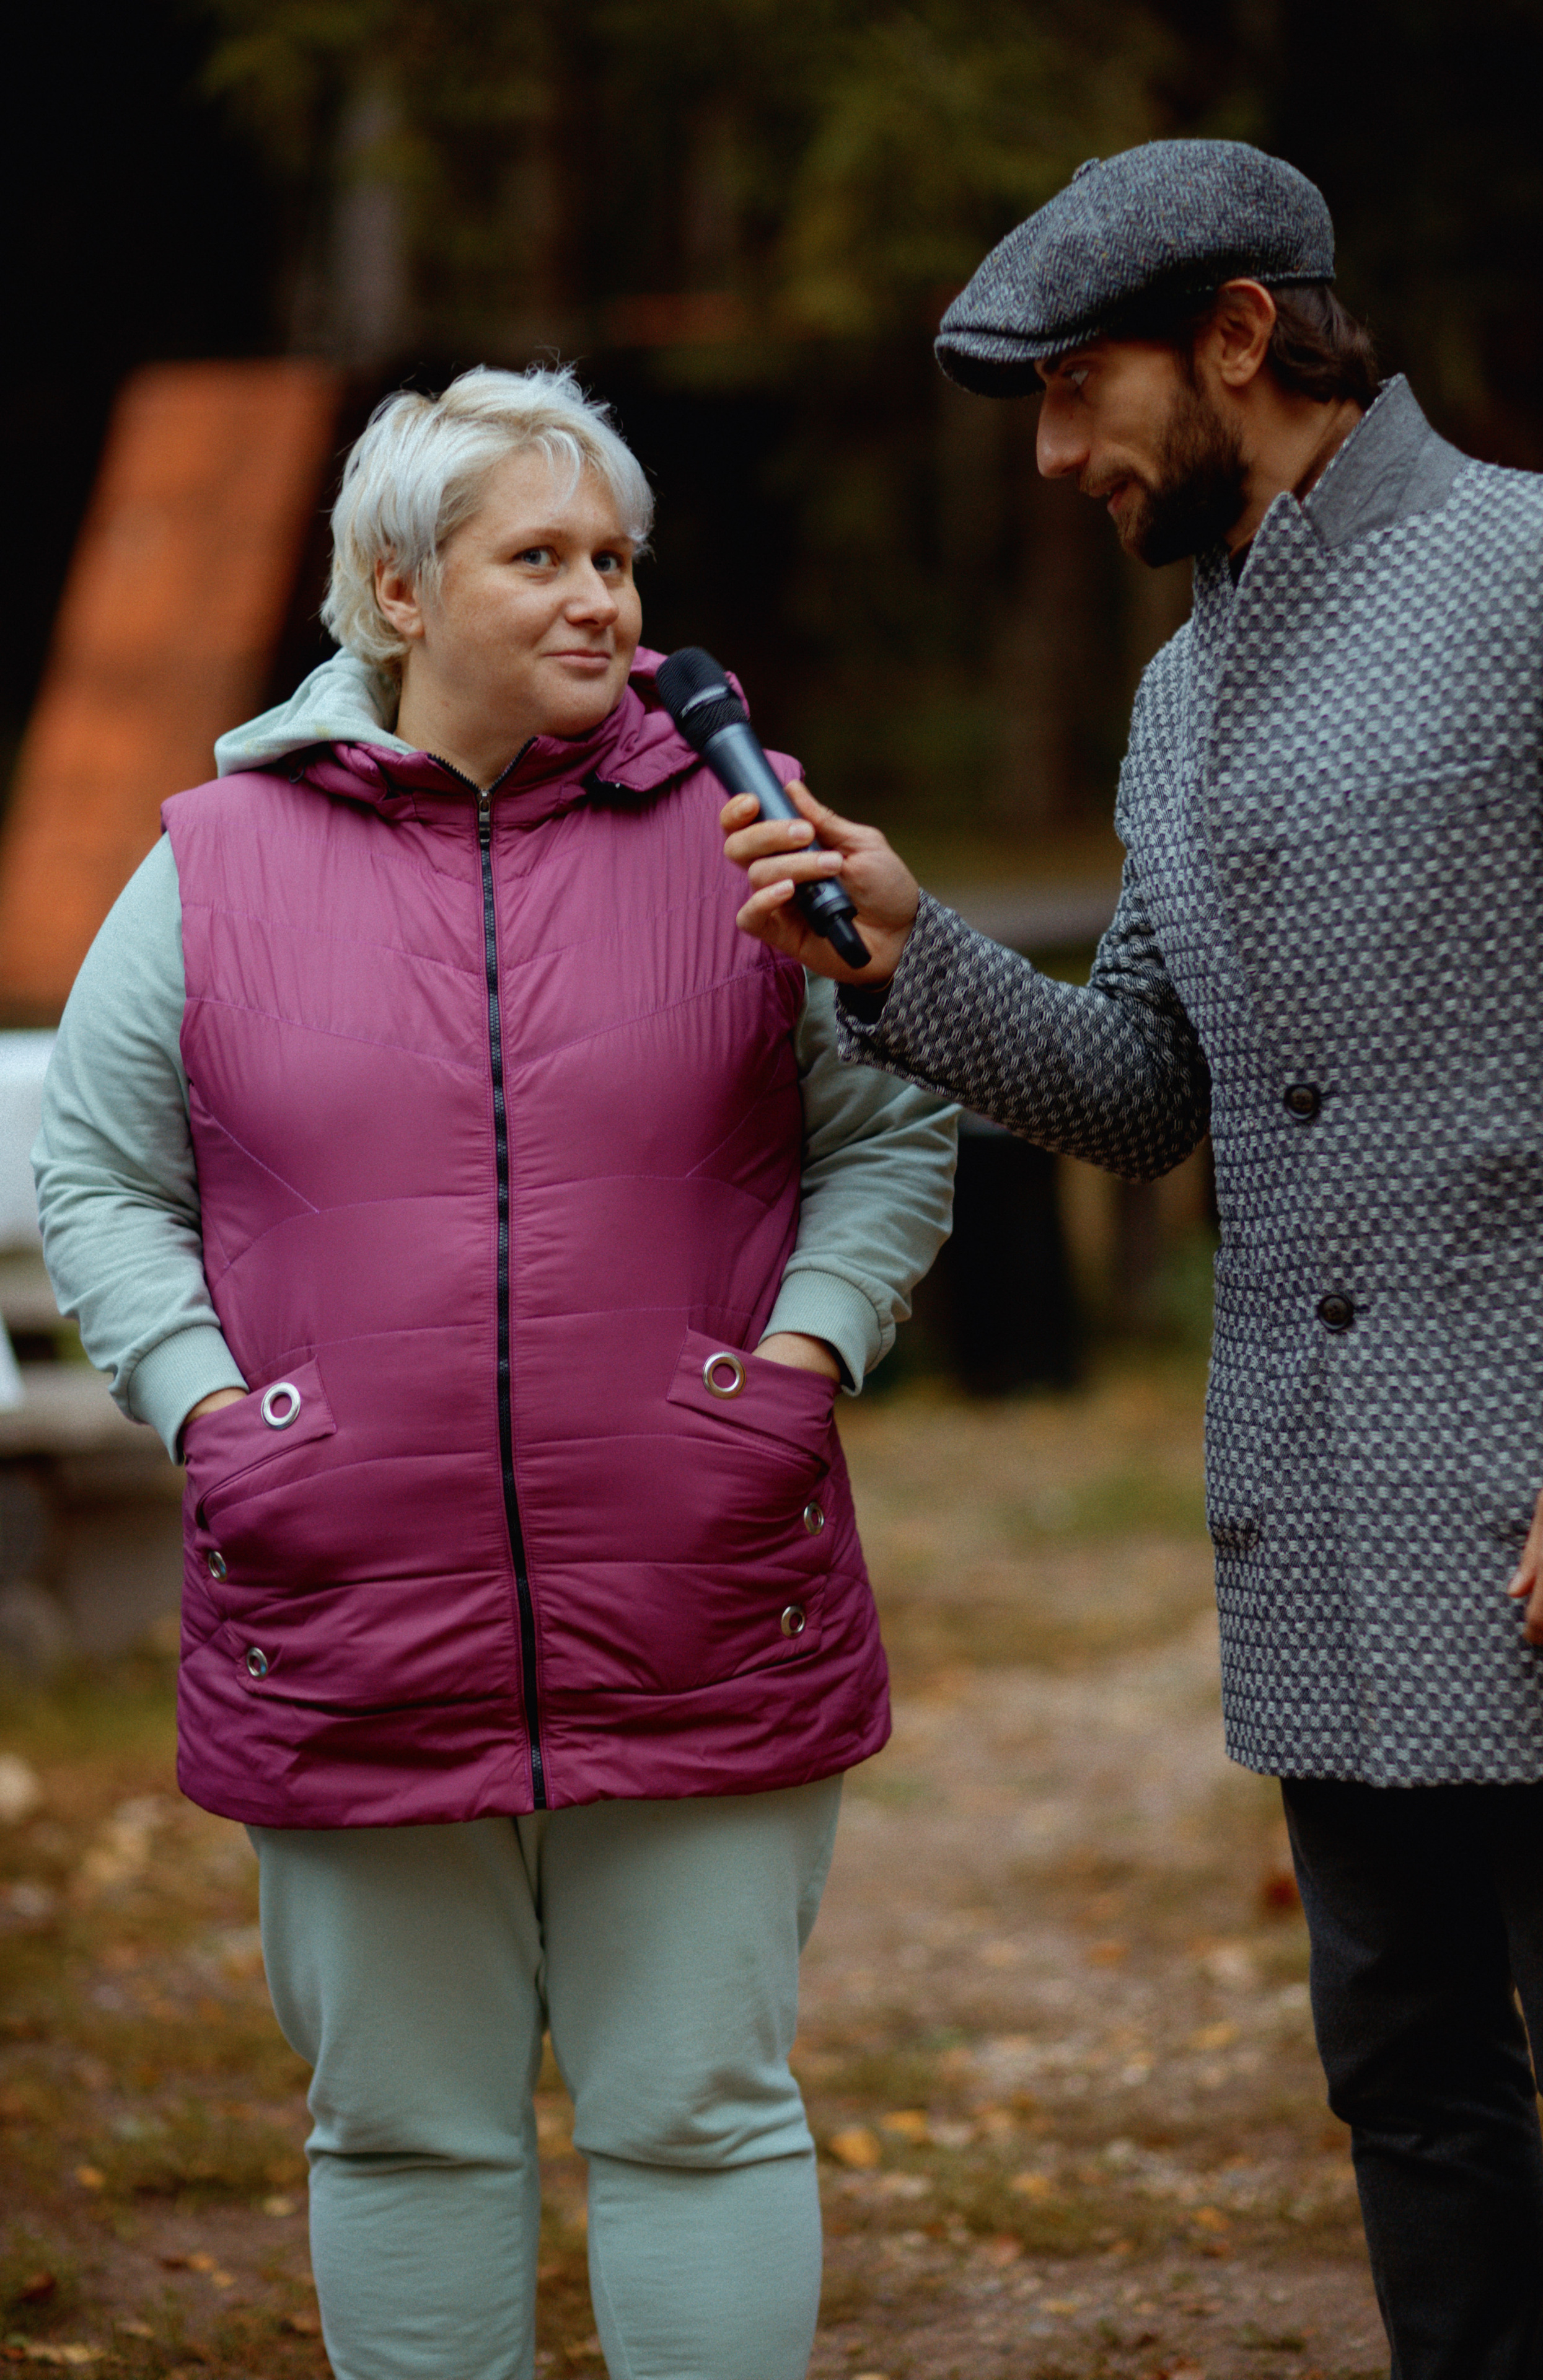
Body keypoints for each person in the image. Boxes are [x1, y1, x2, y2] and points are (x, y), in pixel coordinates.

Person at [724, 138, 1543, 2380]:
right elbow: (1148, 1093)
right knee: (1410, 2092)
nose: (1053, 456)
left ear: (1237, 336)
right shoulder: (1176, 701)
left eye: (1078, 388)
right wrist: (910, 962)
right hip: (1322, 1526)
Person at [33, 363, 957, 2380]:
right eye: (537, 557)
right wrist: (214, 1412)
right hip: (340, 1590)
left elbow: (893, 1122)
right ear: (396, 590)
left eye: (616, 558)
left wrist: (796, 1367)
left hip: (706, 1577)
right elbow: (94, 1174)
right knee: (406, 2136)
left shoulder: (747, 824)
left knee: (702, 2120)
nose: (600, 601)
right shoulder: (216, 857)